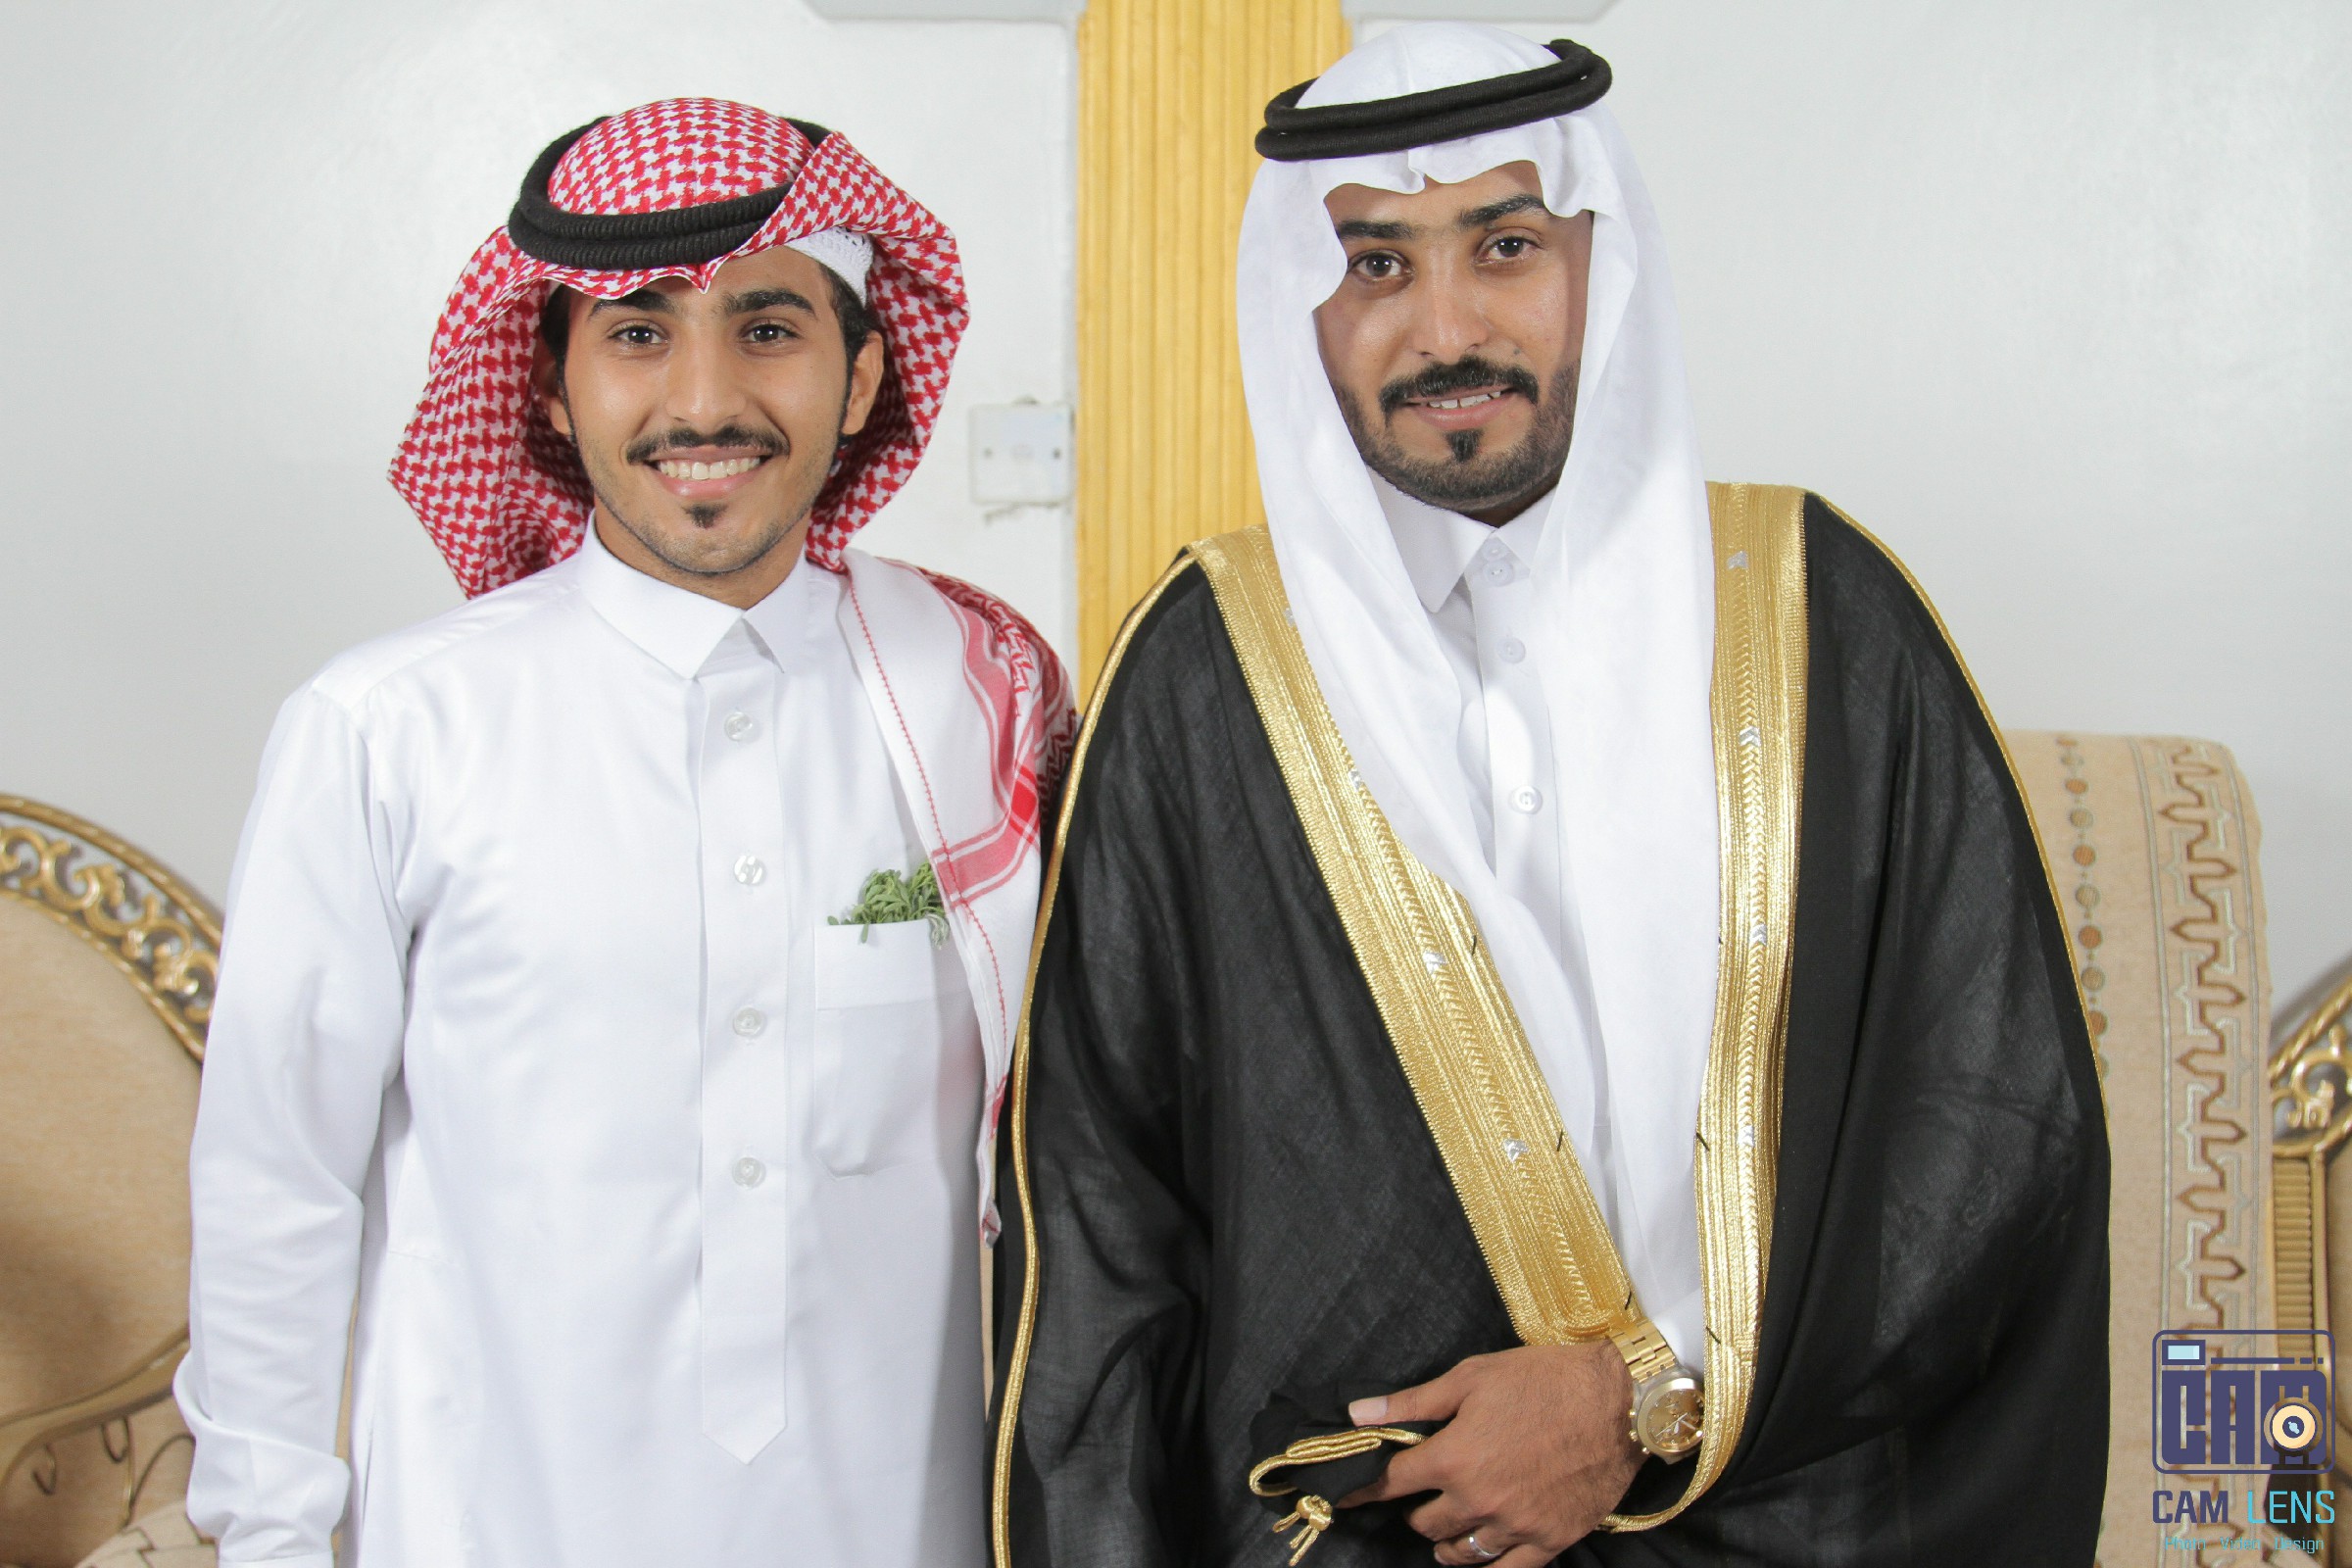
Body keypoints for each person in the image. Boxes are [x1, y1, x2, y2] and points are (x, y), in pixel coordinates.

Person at [991, 25, 2106, 1567]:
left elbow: (1989, 1129)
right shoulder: (1201, 667)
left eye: (1506, 247)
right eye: (1375, 266)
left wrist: (1650, 1393)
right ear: (1300, 305)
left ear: (1603, 264)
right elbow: (1102, 1214)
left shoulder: (1821, 614)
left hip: (1790, 1514)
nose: (1446, 327)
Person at [177, 99, 1073, 1568]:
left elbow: (1095, 1155)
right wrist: (269, 1542)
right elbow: (278, 1185)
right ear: (550, 386)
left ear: (862, 378)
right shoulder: (389, 729)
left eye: (770, 328)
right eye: (638, 333)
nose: (704, 400)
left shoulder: (979, 695)